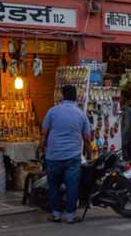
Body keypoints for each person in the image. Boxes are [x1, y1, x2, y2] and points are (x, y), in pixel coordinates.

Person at [39, 85, 92, 224]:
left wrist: (41, 148)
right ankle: (70, 215)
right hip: (73, 157)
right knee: (72, 186)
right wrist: (89, 153)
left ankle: (56, 214)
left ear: (62, 96)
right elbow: (86, 138)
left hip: (53, 156)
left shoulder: (52, 111)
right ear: (76, 97)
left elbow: (44, 133)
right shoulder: (81, 114)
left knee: (54, 186)